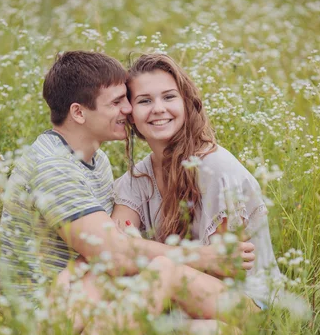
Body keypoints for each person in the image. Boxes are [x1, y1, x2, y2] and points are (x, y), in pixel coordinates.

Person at [0, 51, 256, 332]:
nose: (128, 110)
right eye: (118, 102)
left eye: (128, 100)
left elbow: (114, 248)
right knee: (201, 328)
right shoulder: (55, 167)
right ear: (78, 112)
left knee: (206, 327)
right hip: (51, 311)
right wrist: (202, 256)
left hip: (96, 293)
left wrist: (98, 260)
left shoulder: (98, 163)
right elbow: (114, 252)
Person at [113, 53, 283, 309]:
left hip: (246, 301)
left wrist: (144, 252)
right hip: (178, 301)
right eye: (144, 100)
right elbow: (116, 251)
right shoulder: (136, 178)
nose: (158, 108)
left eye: (169, 97)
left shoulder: (216, 169)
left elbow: (225, 268)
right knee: (200, 334)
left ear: (186, 103)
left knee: (164, 271)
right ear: (131, 115)